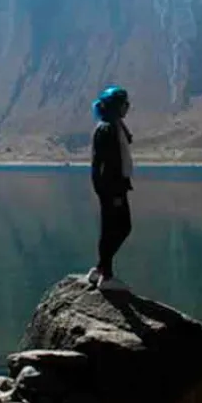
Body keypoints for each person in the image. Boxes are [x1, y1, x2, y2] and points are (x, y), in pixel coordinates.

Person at [86, 86, 134, 291]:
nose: (127, 107)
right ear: (115, 106)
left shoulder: (114, 126)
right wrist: (114, 192)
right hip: (112, 188)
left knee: (112, 228)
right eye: (124, 104)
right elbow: (108, 164)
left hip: (112, 187)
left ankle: (100, 269)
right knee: (119, 228)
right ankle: (106, 275)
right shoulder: (107, 129)